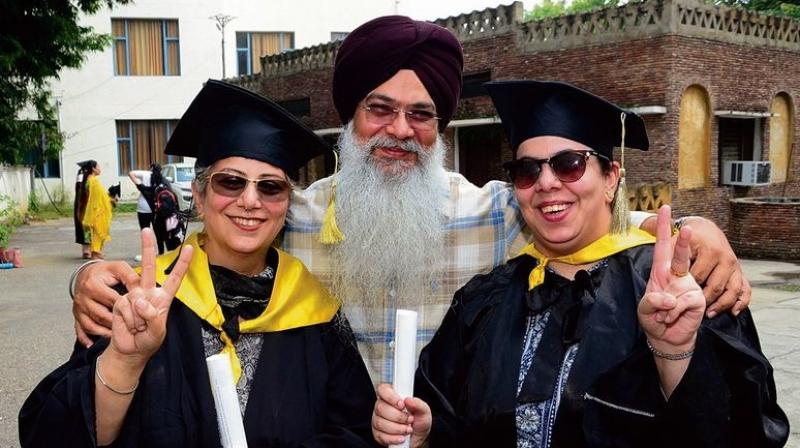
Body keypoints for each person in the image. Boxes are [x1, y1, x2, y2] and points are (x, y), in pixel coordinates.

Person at [70, 16, 751, 384]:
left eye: (422, 114)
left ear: (442, 129)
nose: (400, 130)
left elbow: (597, 220)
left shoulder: (495, 212)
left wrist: (697, 233)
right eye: (380, 109)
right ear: (350, 117)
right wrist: (91, 274)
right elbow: (200, 257)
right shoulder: (289, 215)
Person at [371, 80, 788, 447]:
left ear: (611, 178)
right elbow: (443, 413)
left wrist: (674, 352)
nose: (547, 182)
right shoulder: (484, 299)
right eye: (526, 170)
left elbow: (740, 430)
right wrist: (425, 434)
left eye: (569, 164)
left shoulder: (679, 285)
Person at [20, 80, 377, 447]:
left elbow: (355, 432)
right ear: (201, 197)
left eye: (270, 187)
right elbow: (54, 436)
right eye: (231, 182)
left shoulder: (315, 308)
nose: (250, 200)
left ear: (286, 204)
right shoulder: (141, 297)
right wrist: (125, 362)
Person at [128, 164, 171, 255]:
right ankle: (161, 253)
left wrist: (138, 184)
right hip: (156, 209)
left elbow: (130, 173)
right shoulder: (162, 179)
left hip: (143, 209)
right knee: (159, 232)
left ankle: (147, 254)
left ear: (150, 168)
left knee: (145, 233)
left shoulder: (145, 174)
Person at [80, 160, 113, 260]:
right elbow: (95, 198)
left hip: (97, 210)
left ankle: (97, 252)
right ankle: (95, 253)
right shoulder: (92, 181)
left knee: (97, 234)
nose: (100, 168)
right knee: (97, 233)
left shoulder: (92, 180)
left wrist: (110, 200)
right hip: (97, 211)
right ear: (93, 169)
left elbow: (101, 195)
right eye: (98, 166)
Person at [73, 160, 94, 259]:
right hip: (86, 205)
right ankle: (88, 251)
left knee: (83, 227)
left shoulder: (80, 174)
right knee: (88, 227)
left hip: (80, 205)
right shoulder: (90, 178)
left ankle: (86, 250)